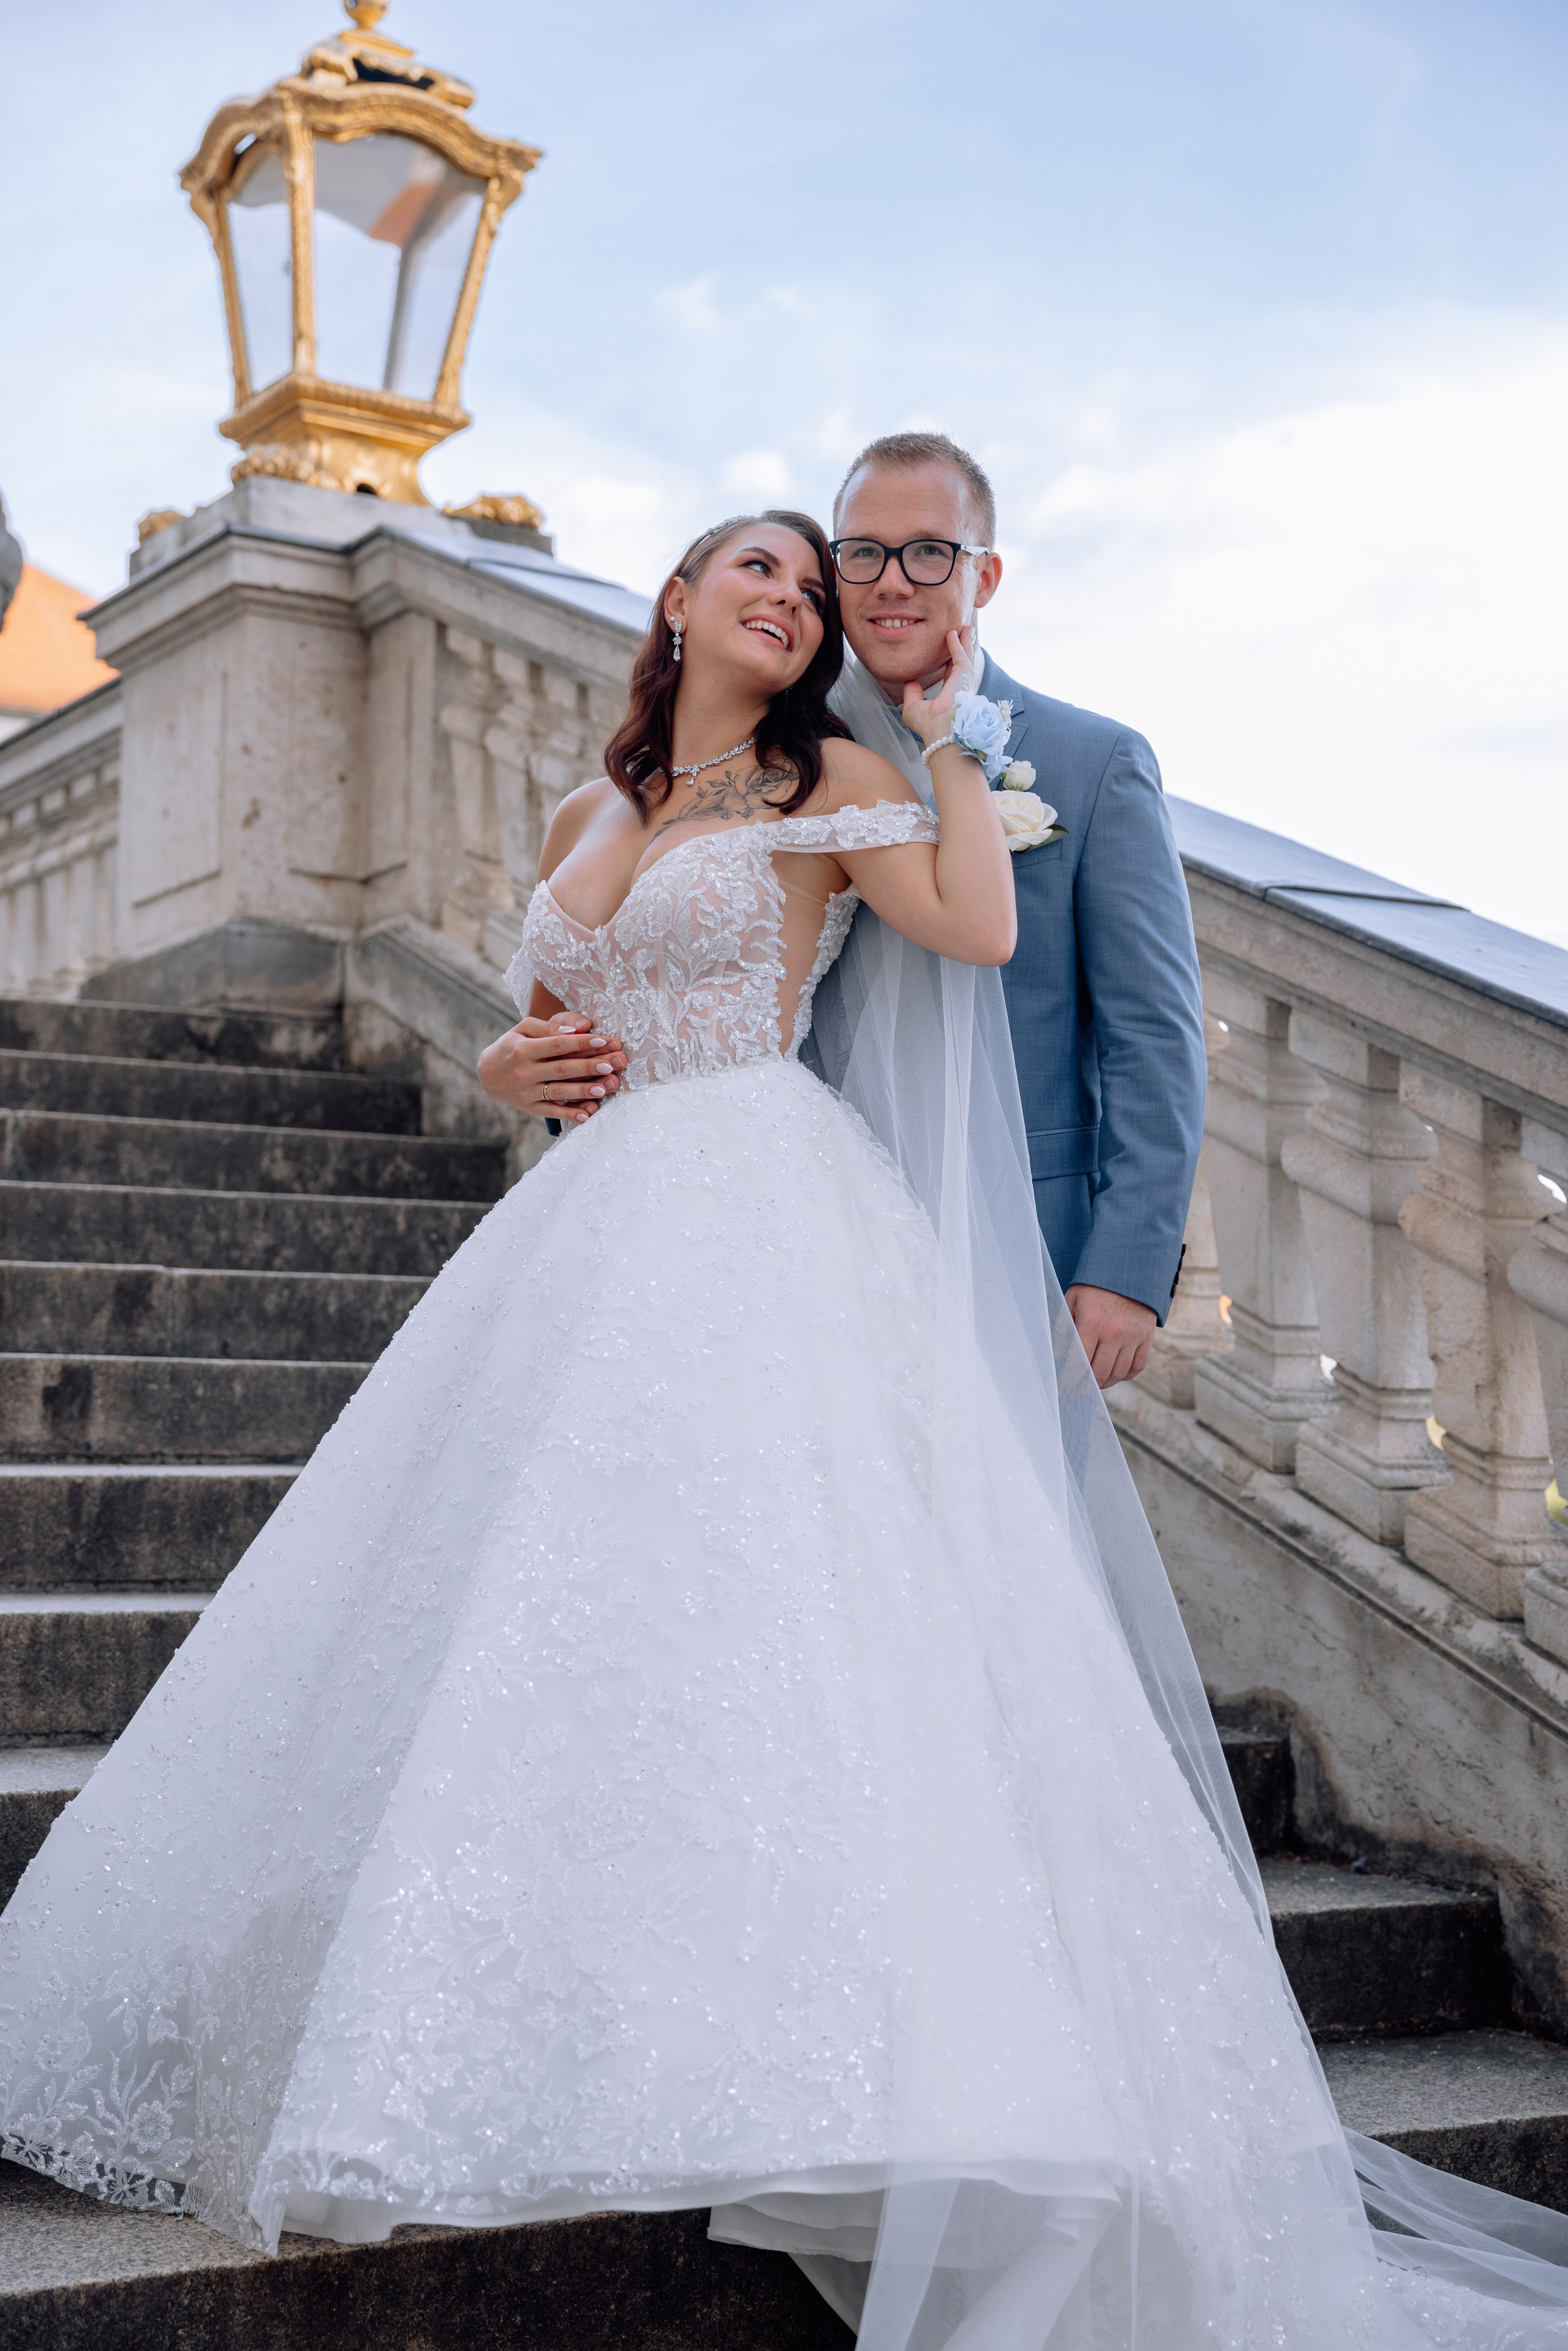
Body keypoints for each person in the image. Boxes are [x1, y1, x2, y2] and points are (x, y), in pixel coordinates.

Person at [2, 508, 1566, 2349]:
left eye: (810, 589)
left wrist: (961, 745)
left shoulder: (833, 771)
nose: (792, 599)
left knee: (768, 1624)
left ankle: (805, 2043)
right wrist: (511, 1065)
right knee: (550, 1626)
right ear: (678, 598)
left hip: (758, 1196)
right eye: (760, 570)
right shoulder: (594, 807)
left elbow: (973, 927)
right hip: (590, 1226)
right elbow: (555, 1023)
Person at [480, 436, 1205, 1395]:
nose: (890, 580)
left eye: (929, 552)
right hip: (763, 1226)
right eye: (860, 553)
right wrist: (518, 1067)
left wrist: (1127, 1265)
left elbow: (1152, 1032)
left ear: (983, 574)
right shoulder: (784, 750)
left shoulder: (1094, 761)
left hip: (1010, 1235)